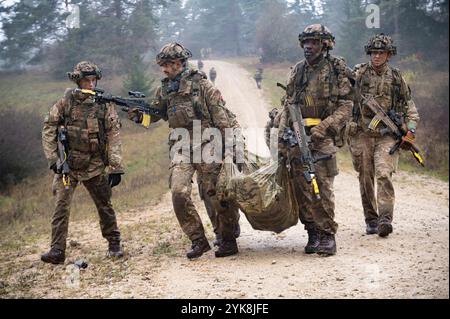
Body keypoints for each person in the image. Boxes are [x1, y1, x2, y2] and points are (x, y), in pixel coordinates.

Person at [128, 43, 241, 258]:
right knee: (178, 193)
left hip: (208, 143)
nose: (165, 69)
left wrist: (230, 151)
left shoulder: (203, 86)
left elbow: (222, 118)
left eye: (168, 64)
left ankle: (227, 238)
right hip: (181, 147)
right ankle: (198, 240)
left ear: (180, 63)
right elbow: (155, 114)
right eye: (163, 65)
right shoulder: (164, 90)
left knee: (217, 195)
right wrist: (138, 116)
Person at [275, 24, 353, 256]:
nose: (309, 47)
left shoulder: (336, 69)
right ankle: (313, 232)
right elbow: (288, 107)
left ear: (324, 45)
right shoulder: (297, 71)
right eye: (306, 42)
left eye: (315, 42)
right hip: (298, 137)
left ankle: (328, 234)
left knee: (323, 187)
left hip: (323, 137)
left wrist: (324, 126)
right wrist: (281, 140)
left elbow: (346, 106)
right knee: (302, 188)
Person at [41, 61, 125, 264]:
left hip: (95, 165)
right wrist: (53, 158)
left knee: (104, 205)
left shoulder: (104, 104)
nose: (90, 84)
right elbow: (49, 127)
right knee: (61, 207)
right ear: (78, 81)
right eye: (86, 80)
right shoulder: (66, 102)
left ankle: (114, 243)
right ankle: (57, 250)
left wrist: (115, 166)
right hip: (68, 166)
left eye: (93, 80)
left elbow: (114, 134)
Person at [347, 34, 420, 237]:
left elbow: (410, 108)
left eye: (381, 53)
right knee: (365, 178)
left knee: (383, 173)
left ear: (389, 55)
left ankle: (385, 219)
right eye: (374, 52)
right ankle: (371, 219)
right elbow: (343, 93)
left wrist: (410, 131)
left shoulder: (396, 78)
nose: (377, 56)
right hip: (362, 133)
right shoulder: (359, 73)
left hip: (387, 135)